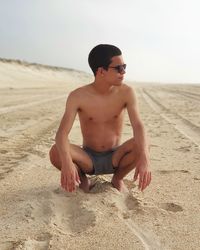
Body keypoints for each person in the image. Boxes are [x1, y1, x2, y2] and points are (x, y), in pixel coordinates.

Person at [49, 44, 151, 193]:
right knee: (55, 151)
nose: (123, 72)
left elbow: (138, 126)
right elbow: (62, 133)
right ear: (101, 71)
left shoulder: (127, 92)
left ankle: (117, 178)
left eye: (124, 67)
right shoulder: (78, 96)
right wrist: (66, 163)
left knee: (143, 143)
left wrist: (145, 159)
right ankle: (83, 180)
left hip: (116, 157)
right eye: (118, 68)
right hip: (88, 159)